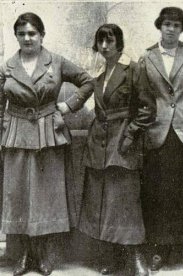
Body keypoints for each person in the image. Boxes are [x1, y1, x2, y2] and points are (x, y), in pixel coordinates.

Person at [0, 12, 94, 275]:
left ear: (42, 35)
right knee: (17, 196)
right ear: (16, 37)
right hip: (17, 136)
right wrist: (3, 129)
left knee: (48, 198)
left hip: (48, 136)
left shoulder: (57, 62)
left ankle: (46, 256)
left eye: (32, 33)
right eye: (22, 34)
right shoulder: (6, 67)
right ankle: (21, 256)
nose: (27, 38)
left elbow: (87, 81)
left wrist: (68, 105)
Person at [77, 24, 155, 276]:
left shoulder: (133, 68)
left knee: (125, 200)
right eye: (100, 41)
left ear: (118, 42)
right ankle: (112, 257)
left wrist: (130, 134)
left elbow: (148, 110)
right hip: (99, 141)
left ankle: (135, 258)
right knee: (103, 200)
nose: (104, 46)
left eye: (109, 41)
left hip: (123, 142)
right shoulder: (100, 73)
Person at [139, 6, 183, 271]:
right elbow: (143, 98)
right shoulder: (147, 57)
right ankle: (159, 250)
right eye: (167, 24)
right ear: (160, 26)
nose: (171, 29)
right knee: (158, 194)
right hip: (158, 133)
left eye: (176, 25)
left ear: (182, 28)